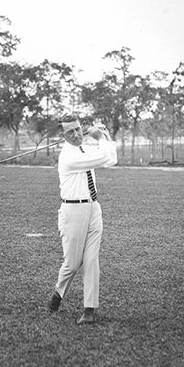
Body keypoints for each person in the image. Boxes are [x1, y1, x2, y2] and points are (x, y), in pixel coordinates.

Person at [48, 114, 117, 324]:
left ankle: (89, 309)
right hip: (72, 210)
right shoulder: (69, 156)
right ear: (63, 136)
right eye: (70, 132)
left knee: (91, 259)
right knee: (73, 264)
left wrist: (104, 135)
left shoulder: (84, 149)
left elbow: (112, 159)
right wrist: (101, 138)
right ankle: (58, 294)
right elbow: (105, 156)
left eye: (78, 129)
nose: (77, 134)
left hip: (93, 207)